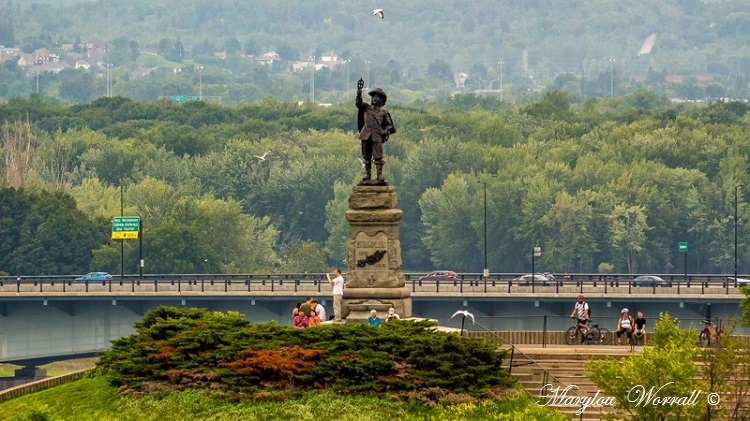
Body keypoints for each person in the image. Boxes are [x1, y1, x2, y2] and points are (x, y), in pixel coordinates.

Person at [355, 77, 396, 185]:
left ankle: (379, 175)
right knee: (366, 156)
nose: (374, 98)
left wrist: (385, 131)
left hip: (376, 135)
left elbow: (389, 126)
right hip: (366, 134)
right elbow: (358, 103)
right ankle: (368, 175)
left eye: (377, 97)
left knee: (378, 156)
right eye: (373, 96)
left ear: (381, 100)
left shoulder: (383, 112)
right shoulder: (366, 108)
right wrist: (359, 91)